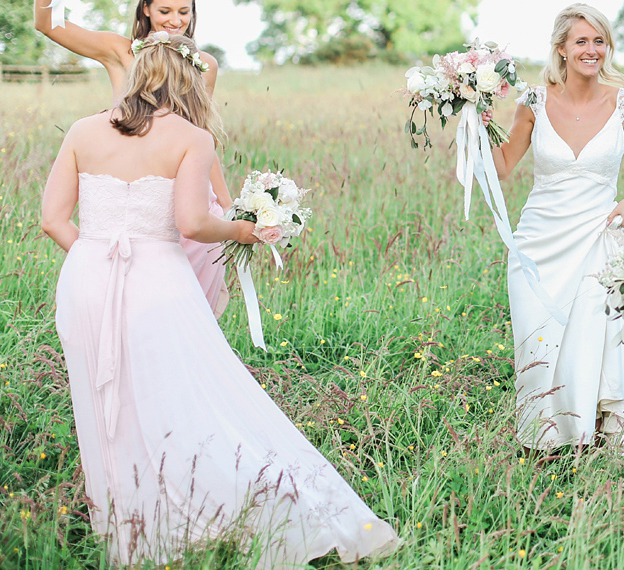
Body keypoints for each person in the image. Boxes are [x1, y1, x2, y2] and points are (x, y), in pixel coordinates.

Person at [40, 32, 399, 566]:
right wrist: (244, 231)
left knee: (101, 405)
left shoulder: (83, 129)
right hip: (157, 283)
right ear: (188, 80)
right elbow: (192, 222)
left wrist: (96, 259)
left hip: (84, 282)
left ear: (140, 72)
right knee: (181, 399)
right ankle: (187, 515)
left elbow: (52, 219)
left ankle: (125, 530)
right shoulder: (192, 137)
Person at [491, 3, 624, 450]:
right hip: (540, 240)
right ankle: (546, 433)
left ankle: (597, 427)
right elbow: (501, 167)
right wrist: (475, 126)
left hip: (599, 236)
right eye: (582, 42)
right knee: (538, 335)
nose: (592, 50)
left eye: (599, 41)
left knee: (597, 334)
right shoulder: (532, 102)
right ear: (562, 48)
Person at [35, 0, 232, 316]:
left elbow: (203, 142)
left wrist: (229, 208)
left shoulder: (202, 65)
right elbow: (47, 23)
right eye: (165, 11)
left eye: (184, 12)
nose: (175, 21)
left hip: (188, 204)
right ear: (145, 9)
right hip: (137, 210)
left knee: (183, 315)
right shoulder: (119, 52)